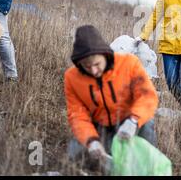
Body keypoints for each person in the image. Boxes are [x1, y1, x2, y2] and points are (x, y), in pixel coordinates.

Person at [65, 25, 159, 170]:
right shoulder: (72, 78)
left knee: (147, 123)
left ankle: (146, 165)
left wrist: (134, 121)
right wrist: (91, 140)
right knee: (74, 155)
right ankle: (104, 158)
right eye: (87, 66)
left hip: (129, 122)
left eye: (97, 64)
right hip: (99, 125)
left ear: (105, 55)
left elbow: (147, 96)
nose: (94, 71)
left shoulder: (129, 64)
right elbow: (77, 115)